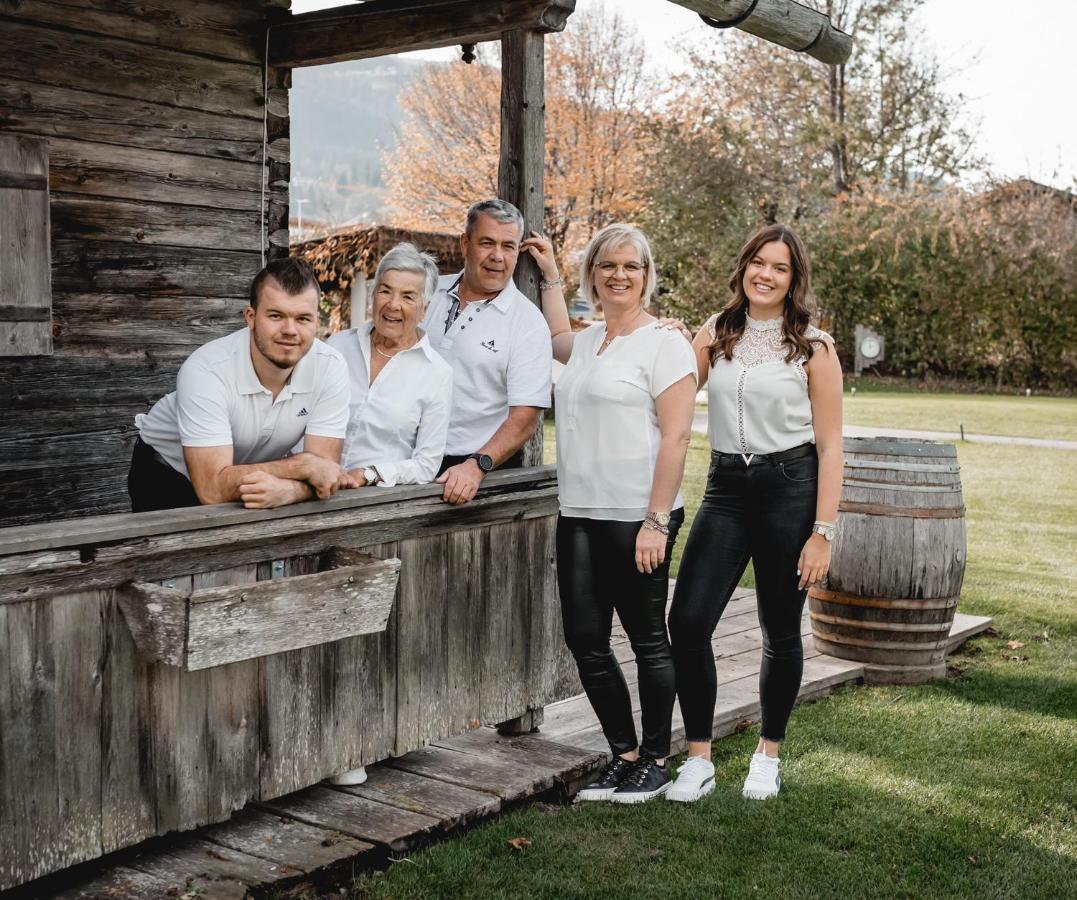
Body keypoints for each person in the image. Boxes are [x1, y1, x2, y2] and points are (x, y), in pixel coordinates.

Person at [665, 224, 843, 803]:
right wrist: (662, 336)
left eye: (780, 267)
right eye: (758, 263)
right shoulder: (714, 332)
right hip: (725, 489)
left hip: (790, 489)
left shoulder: (814, 347)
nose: (766, 274)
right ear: (744, 267)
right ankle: (699, 760)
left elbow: (831, 445)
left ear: (794, 279)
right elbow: (668, 389)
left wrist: (822, 532)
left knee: (779, 628)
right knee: (688, 622)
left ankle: (768, 756)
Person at [523, 224, 697, 802]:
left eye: (631, 266)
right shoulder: (590, 339)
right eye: (607, 265)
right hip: (578, 511)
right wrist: (551, 274)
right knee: (585, 639)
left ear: (647, 276)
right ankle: (623, 754)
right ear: (593, 275)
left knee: (647, 639)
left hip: (636, 516)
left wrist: (656, 521)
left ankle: (656, 760)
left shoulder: (665, 343)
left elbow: (677, 438)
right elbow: (555, 336)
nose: (619, 275)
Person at [129, 257, 353, 512]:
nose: (290, 330)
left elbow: (324, 473)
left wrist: (291, 490)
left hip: (257, 475)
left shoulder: (330, 367)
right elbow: (212, 489)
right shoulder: (207, 369)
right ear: (251, 317)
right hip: (169, 472)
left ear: (316, 322)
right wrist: (300, 467)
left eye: (303, 318)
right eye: (276, 315)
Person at [423, 199, 553, 505]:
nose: (497, 256)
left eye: (508, 246)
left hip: (473, 474)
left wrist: (476, 465)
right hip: (407, 457)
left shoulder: (528, 322)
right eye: (487, 243)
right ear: (465, 243)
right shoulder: (427, 293)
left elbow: (525, 418)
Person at [326, 243, 452, 489]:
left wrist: (369, 474)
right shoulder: (337, 347)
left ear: (424, 309)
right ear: (373, 295)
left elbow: (426, 464)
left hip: (375, 498)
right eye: (385, 291)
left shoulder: (436, 373)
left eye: (408, 296)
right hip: (312, 489)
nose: (393, 305)